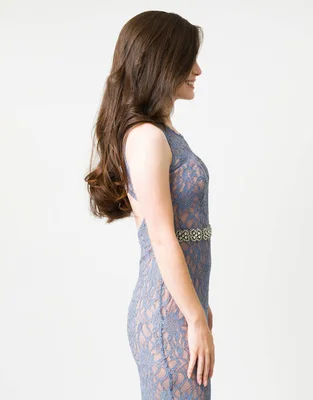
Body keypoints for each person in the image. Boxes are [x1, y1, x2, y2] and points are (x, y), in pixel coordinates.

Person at [84, 11, 214, 399]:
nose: (198, 69)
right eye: (188, 58)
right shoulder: (147, 137)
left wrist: (199, 309)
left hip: (180, 306)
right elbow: (161, 237)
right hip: (168, 313)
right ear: (161, 62)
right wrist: (194, 317)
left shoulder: (162, 132)